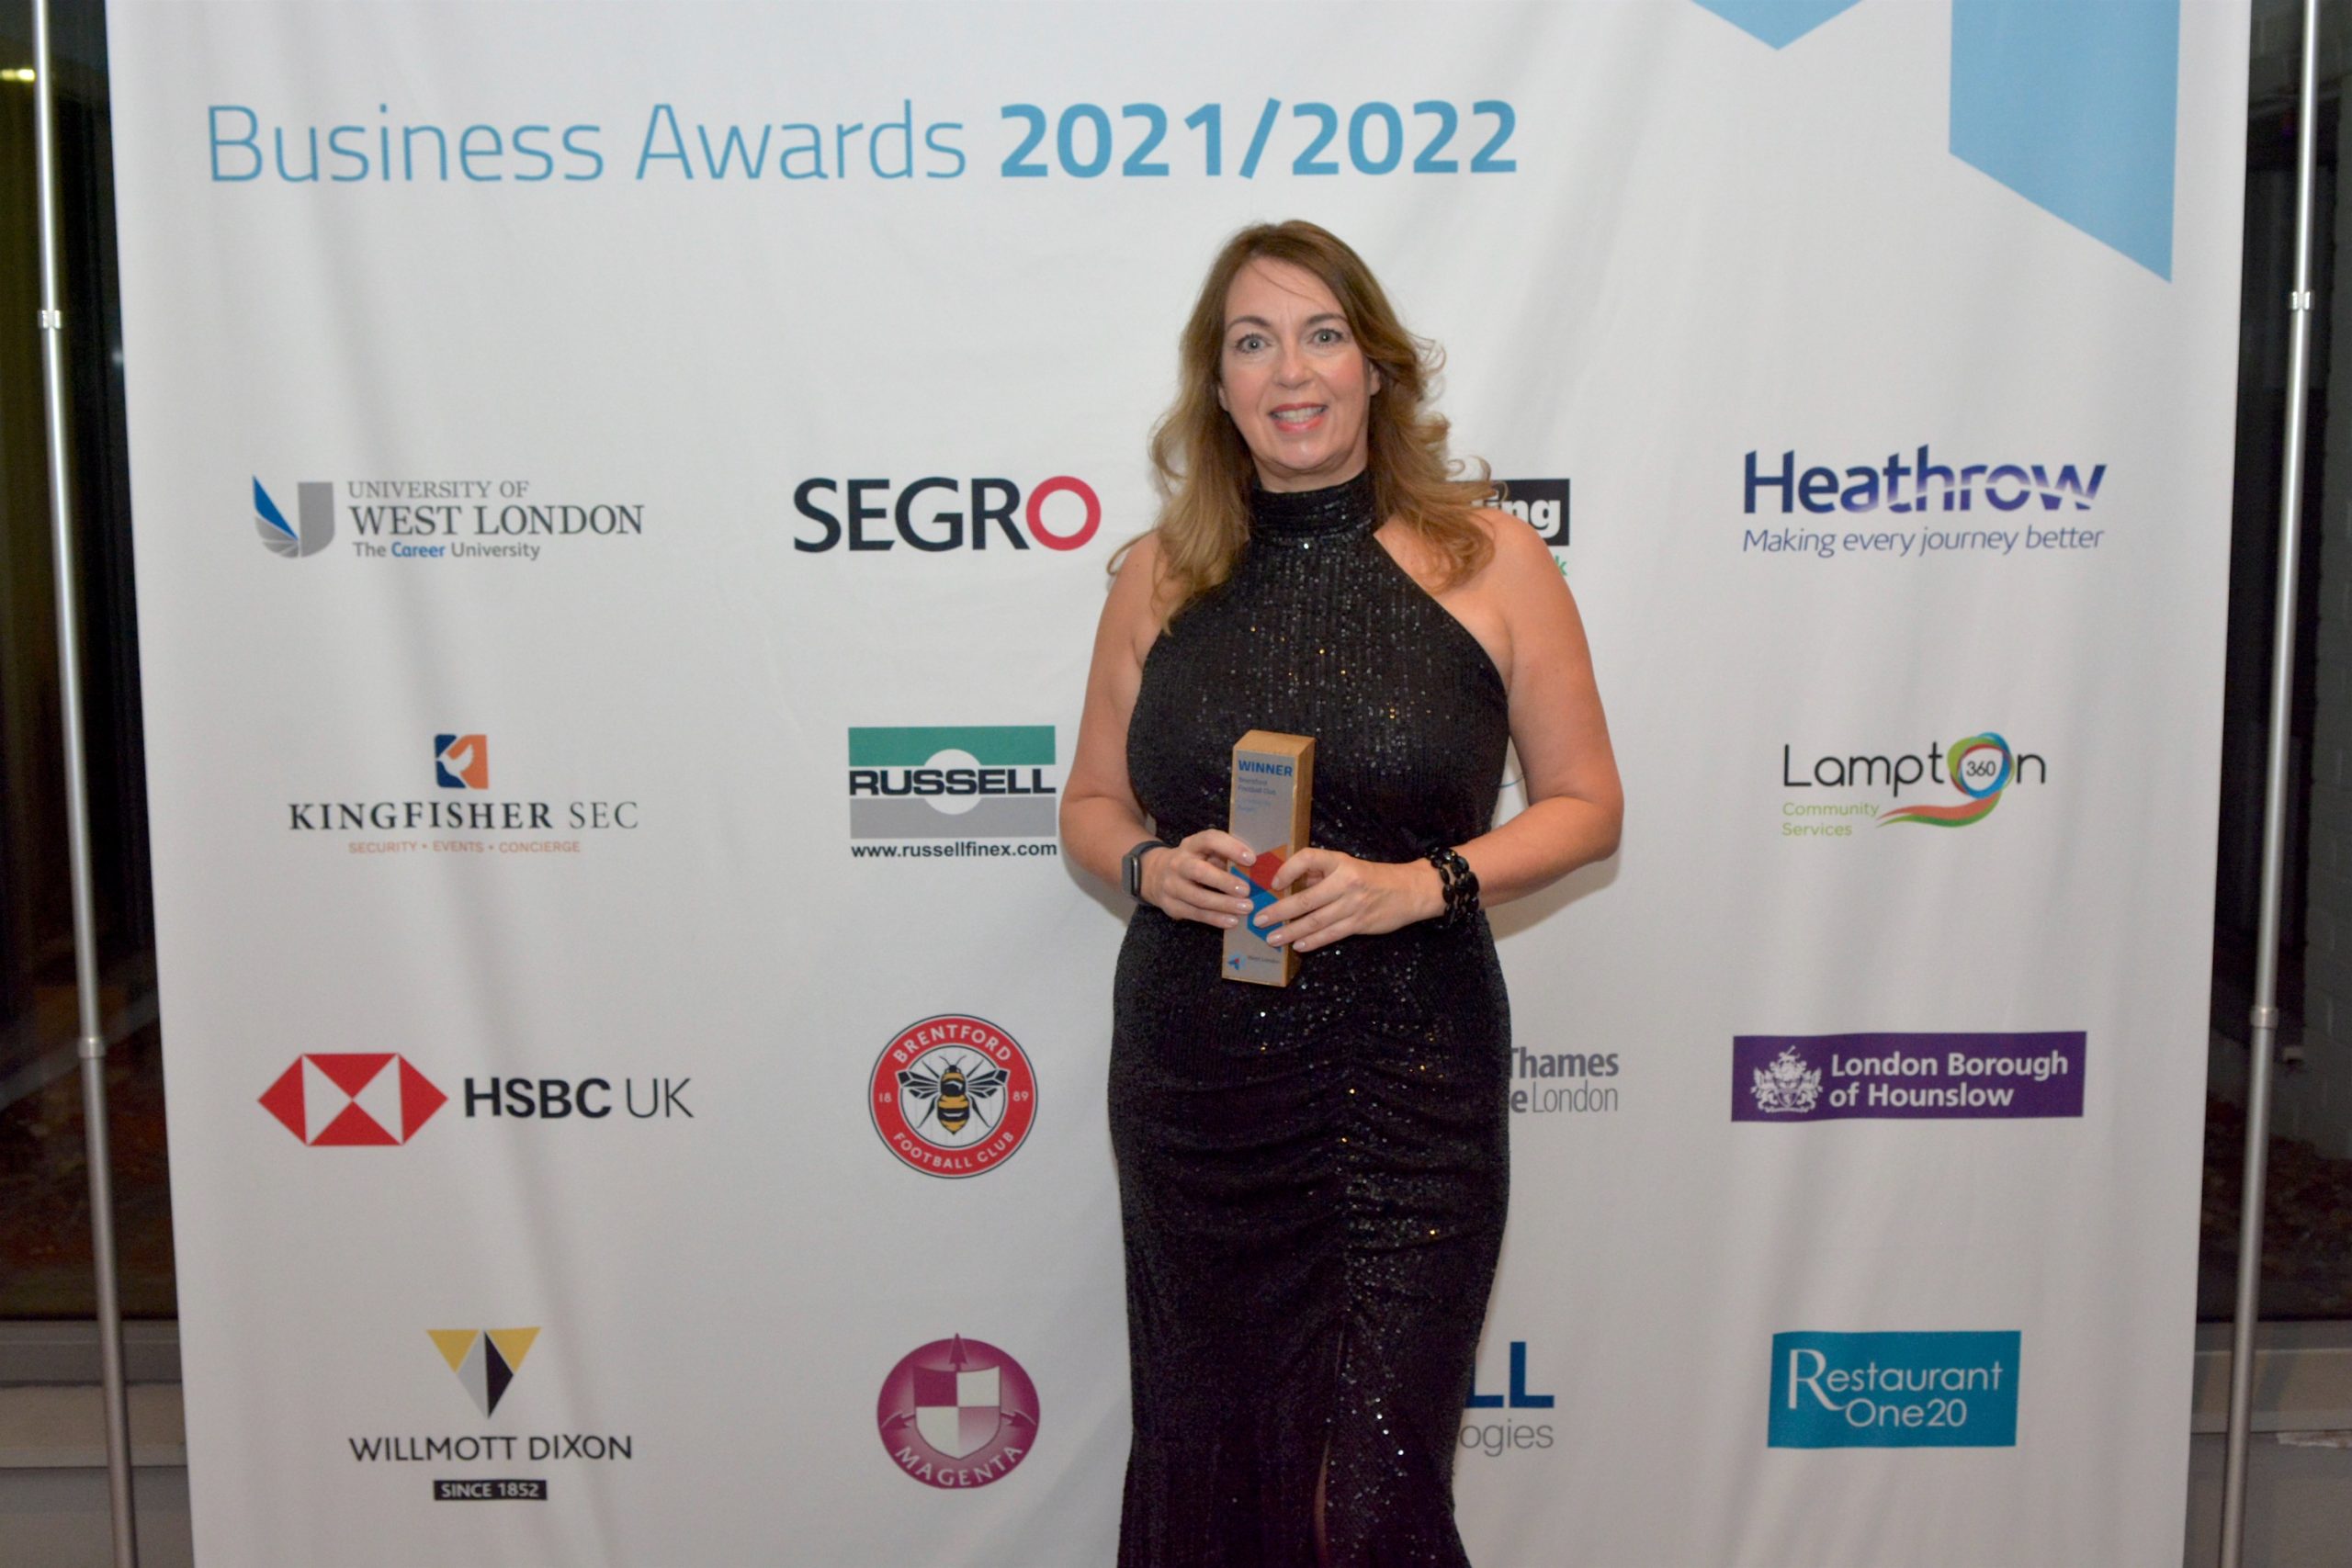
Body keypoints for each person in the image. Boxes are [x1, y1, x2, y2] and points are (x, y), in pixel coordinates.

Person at [1060, 220, 1623, 1567]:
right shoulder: (1158, 575)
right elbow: (1089, 807)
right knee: (1213, 1472)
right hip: (1198, 1095)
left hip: (1405, 1089)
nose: (1292, 370)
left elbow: (1588, 805)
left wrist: (1420, 886)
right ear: (1218, 385)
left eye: (1321, 335)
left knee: (1365, 1501)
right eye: (1253, 343)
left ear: (1376, 365)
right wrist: (1149, 868)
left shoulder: (1494, 559)